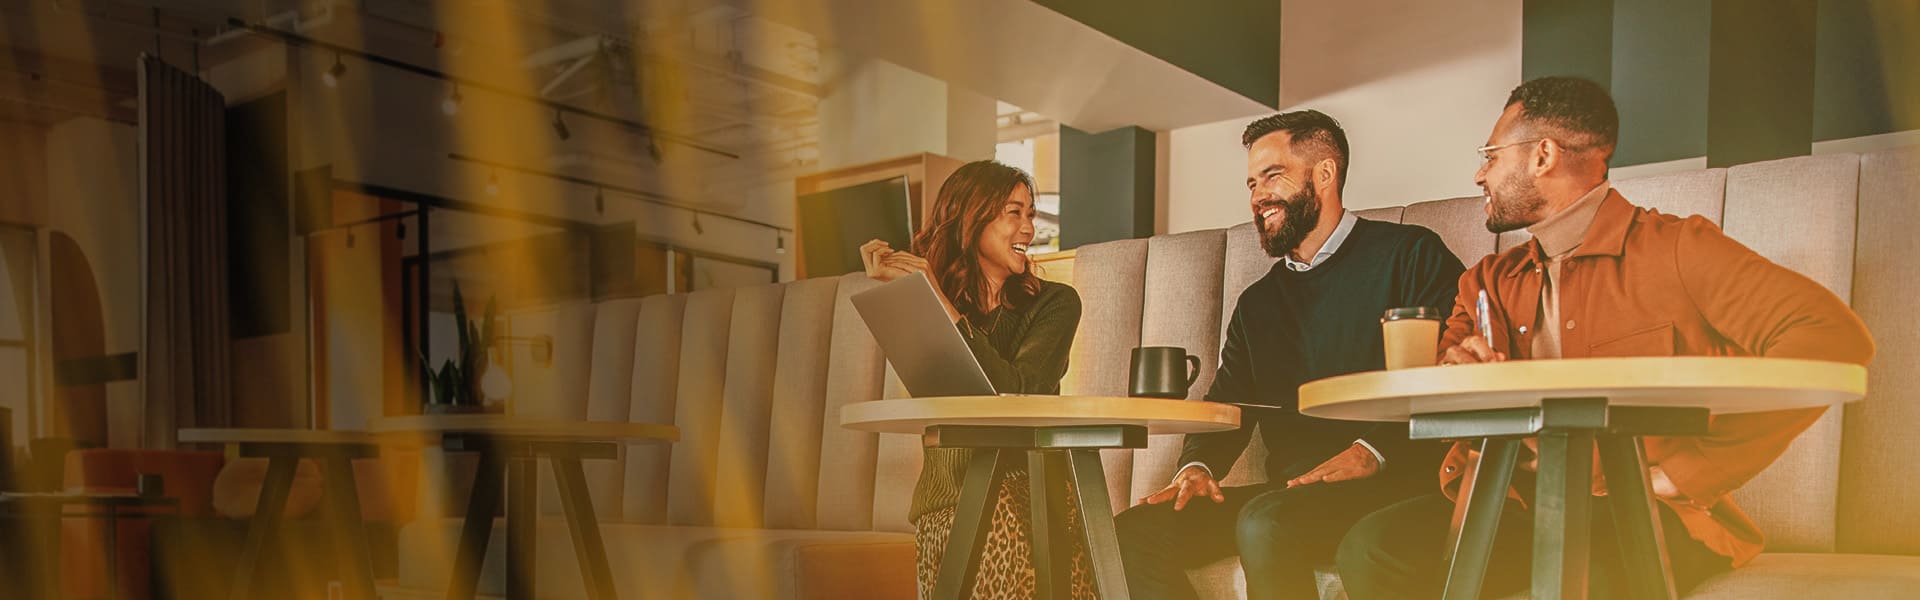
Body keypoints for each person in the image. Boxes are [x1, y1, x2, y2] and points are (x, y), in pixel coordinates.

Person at [1334, 76, 1877, 599]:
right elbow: (1433, 373)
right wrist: (1453, 364)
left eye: (1491, 155)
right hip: (1517, 503)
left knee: (1591, 577)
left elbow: (1830, 338)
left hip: (1641, 509)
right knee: (1372, 549)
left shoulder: (1680, 248)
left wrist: (1686, 474)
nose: (1480, 176)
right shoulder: (1488, 281)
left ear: (1542, 156)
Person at [1112, 110, 1465, 600]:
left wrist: (1374, 451)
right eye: (1252, 184)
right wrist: (1197, 468)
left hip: (1395, 484)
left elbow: (1452, 377)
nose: (1258, 197)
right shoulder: (1258, 303)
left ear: (1325, 173)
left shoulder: (1411, 255)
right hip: (1296, 493)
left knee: (1266, 520)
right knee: (1129, 533)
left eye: (1272, 176)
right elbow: (1230, 401)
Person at [860, 160, 1089, 599]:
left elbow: (1019, 392)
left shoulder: (1057, 304)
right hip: (945, 502)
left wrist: (940, 303)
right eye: (1013, 212)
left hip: (1029, 496)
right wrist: (912, 296)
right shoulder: (926, 307)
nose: (1028, 228)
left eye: (1030, 213)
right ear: (971, 218)